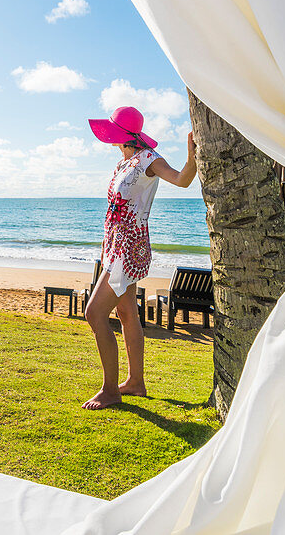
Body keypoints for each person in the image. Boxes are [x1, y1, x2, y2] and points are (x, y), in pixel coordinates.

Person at [82, 106, 197, 410]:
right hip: (113, 245)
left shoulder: (149, 159)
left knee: (94, 314)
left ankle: (110, 390)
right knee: (127, 314)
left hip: (129, 247)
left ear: (122, 134)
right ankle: (136, 382)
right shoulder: (122, 164)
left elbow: (183, 180)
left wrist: (191, 154)